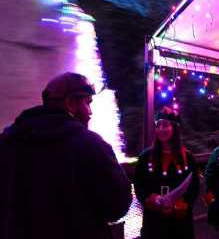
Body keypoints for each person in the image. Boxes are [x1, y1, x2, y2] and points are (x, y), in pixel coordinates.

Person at [0, 72, 132, 239]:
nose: (90, 112)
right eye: (87, 103)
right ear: (70, 103)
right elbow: (118, 205)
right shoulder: (91, 145)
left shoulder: (8, 141)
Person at [134, 107, 199, 239]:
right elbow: (138, 184)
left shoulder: (188, 157)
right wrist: (151, 199)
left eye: (165, 125)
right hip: (153, 221)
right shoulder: (145, 157)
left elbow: (194, 187)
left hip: (180, 223)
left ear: (174, 128)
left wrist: (180, 205)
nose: (161, 129)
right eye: (158, 126)